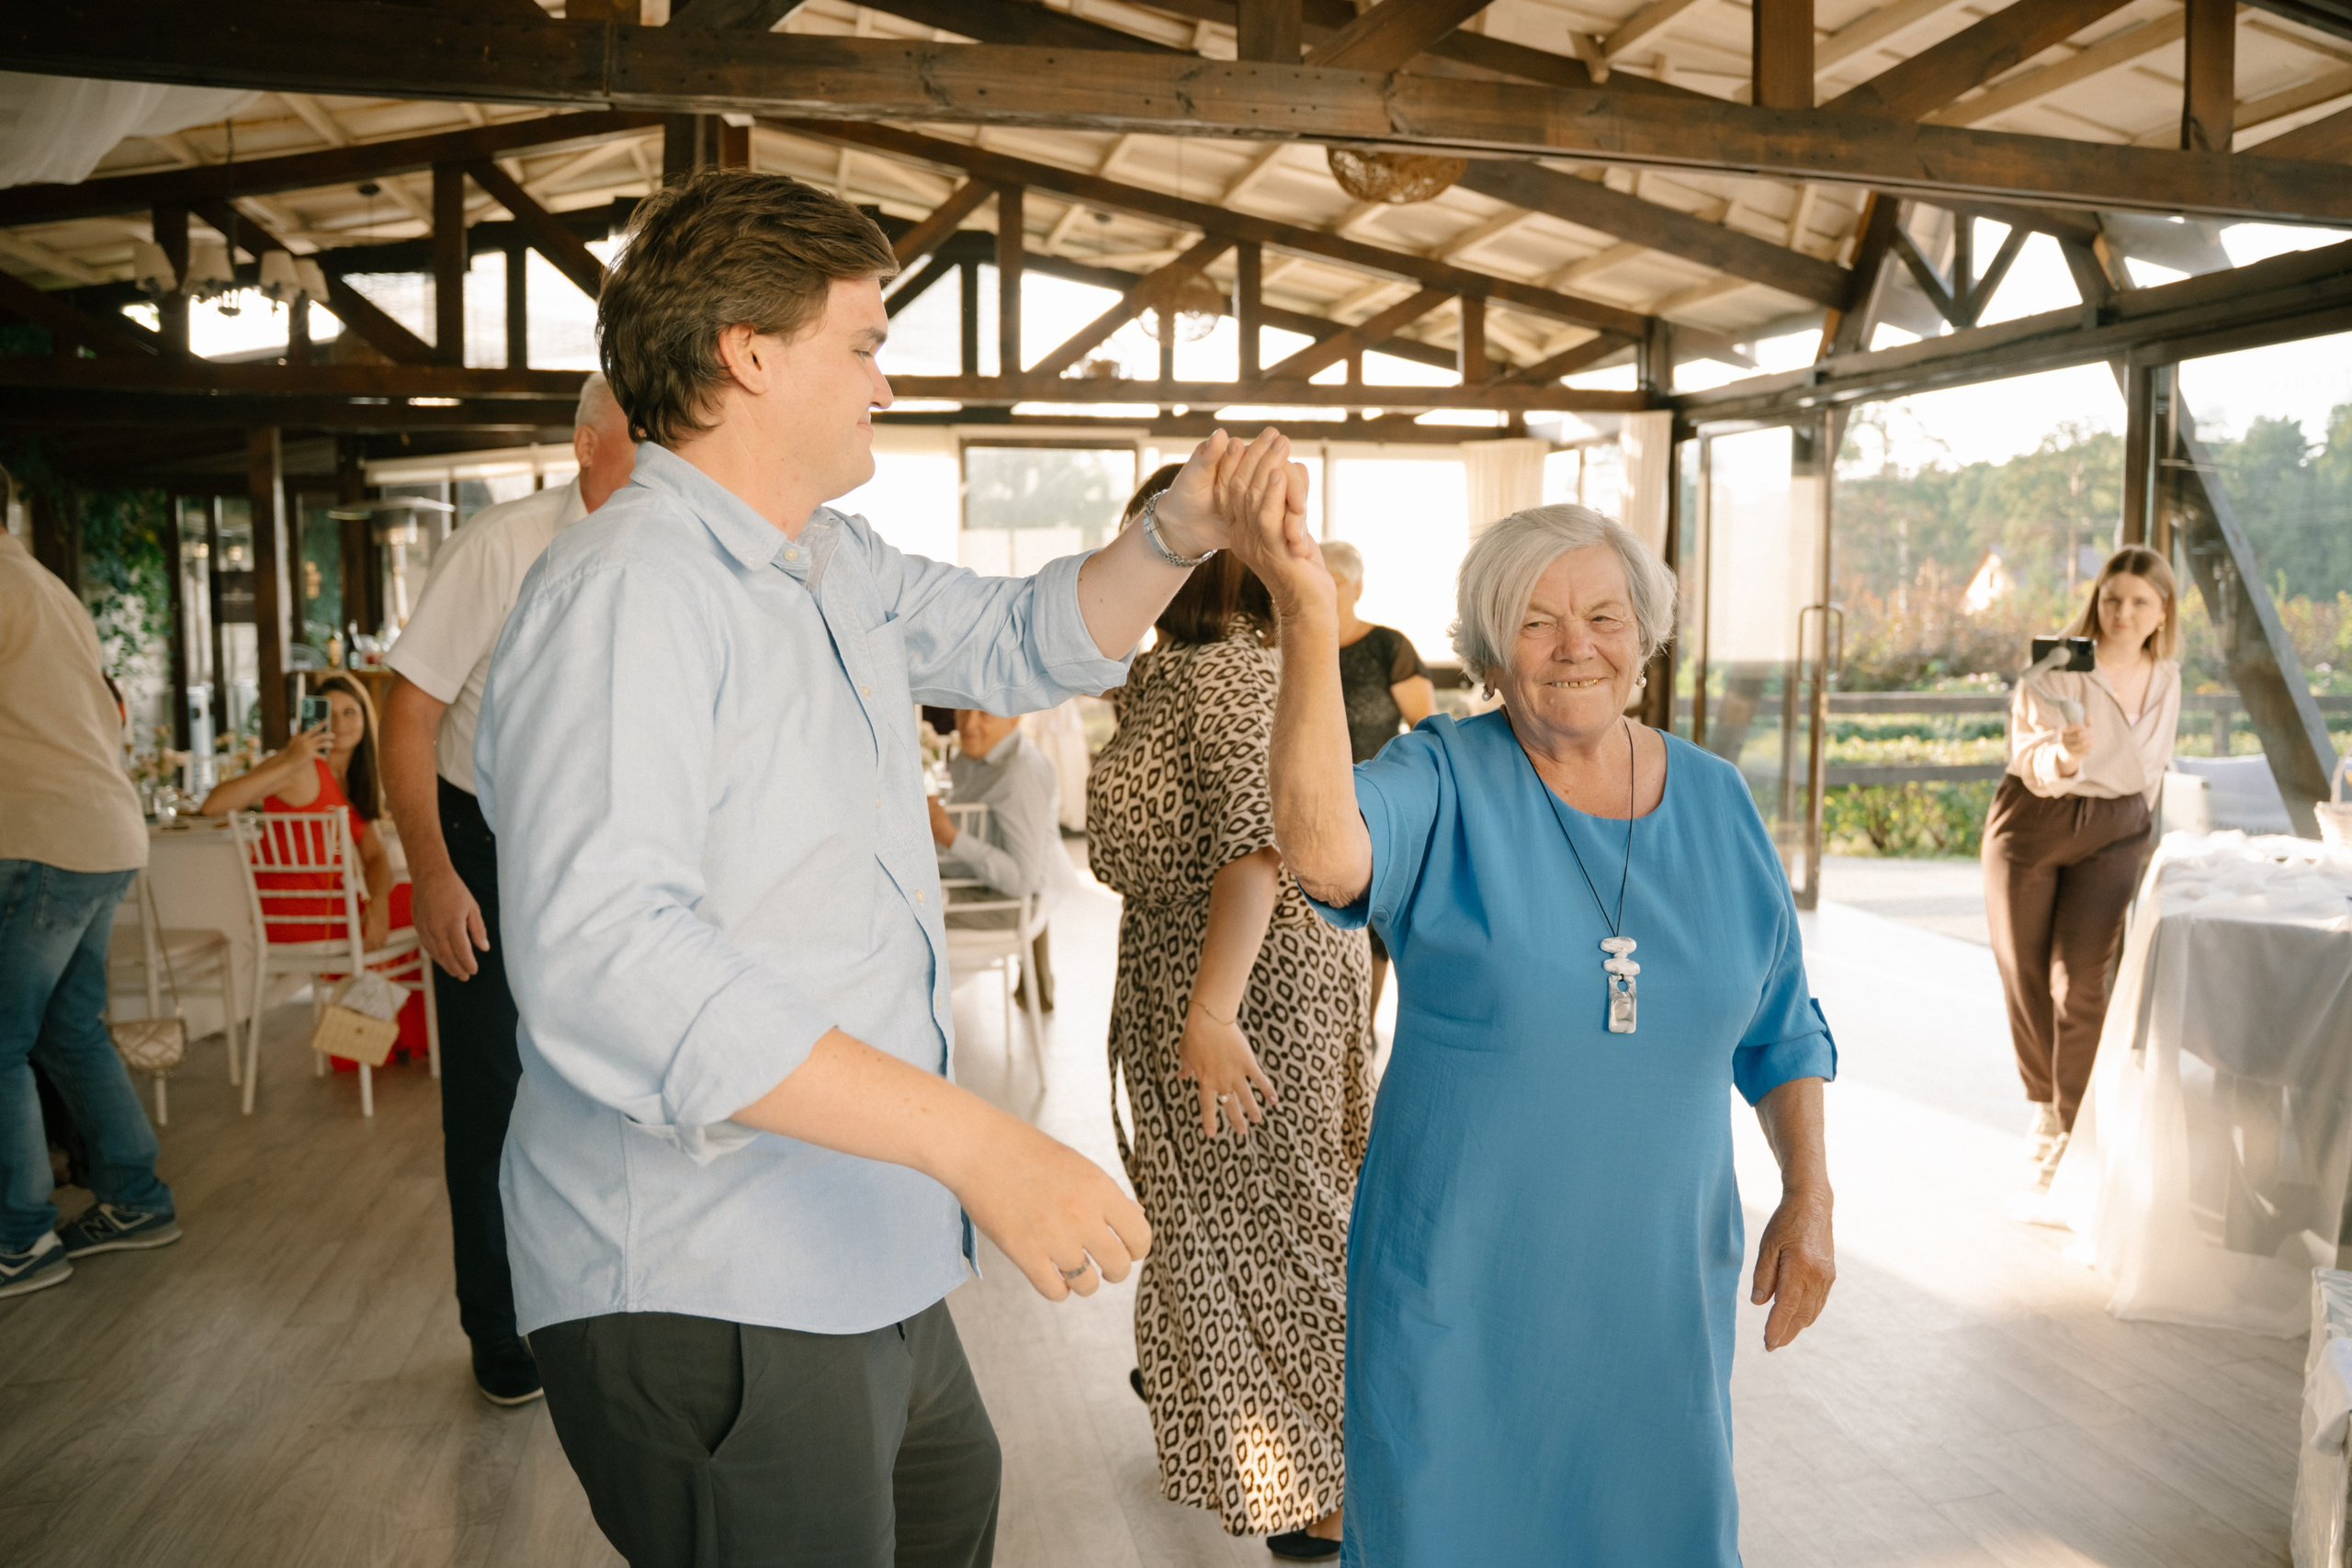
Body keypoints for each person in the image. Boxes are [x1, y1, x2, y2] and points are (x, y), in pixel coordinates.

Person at [473, 167, 1288, 1568]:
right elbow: (613, 960)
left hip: (866, 1242)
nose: (885, 385)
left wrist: (1180, 529)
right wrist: (979, 1140)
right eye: (865, 343)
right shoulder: (631, 588)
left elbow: (1029, 637)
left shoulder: (825, 557)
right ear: (749, 354)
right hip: (707, 1262)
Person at [1224, 487, 1838, 1568]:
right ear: (1488, 651)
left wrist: (1809, 1191)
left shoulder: (1716, 799)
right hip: (1462, 1287)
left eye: (1603, 617)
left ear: (1644, 636)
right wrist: (1309, 612)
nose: (1574, 649)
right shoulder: (1442, 776)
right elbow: (1323, 853)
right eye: (1535, 621)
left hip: (1657, 1294)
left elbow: (1782, 1027)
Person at [1086, 467, 1370, 1561]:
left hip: (1245, 993)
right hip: (1224, 982)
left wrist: (1210, 1010)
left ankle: (1325, 1494)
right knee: (1238, 1234)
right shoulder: (1194, 672)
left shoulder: (1233, 676)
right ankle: (1291, 1471)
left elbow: (1257, 848)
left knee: (1282, 1242)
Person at [379, 371, 636, 1406]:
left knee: (617, 1089)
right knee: (490, 1097)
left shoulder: (676, 547)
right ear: (586, 443)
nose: (664, 451)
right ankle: (499, 1327)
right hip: (479, 843)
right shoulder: (501, 544)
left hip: (605, 851)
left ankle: (610, 1311)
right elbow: (406, 717)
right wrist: (430, 874)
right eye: (642, 432)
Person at [1, 526, 180, 1301]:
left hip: (41, 837)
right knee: (67, 1026)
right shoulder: (45, 586)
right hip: (104, 830)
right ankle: (134, 1198)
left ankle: (18, 1236)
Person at [1983, 546, 2181, 1187]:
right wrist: (2066, 755)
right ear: (2097, 598)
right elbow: (2029, 753)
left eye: (2139, 602)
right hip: (2036, 820)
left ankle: (2074, 1125)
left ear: (2162, 612)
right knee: (2028, 976)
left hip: (2116, 832)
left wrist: (2141, 837)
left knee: (2084, 981)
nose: (2122, 612)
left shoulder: (2168, 677)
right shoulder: (2059, 660)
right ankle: (2044, 1106)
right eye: (2112, 598)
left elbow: (2151, 770)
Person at [200, 674, 427, 1063]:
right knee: (428, 902)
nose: (340, 724)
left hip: (335, 912)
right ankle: (408, 1041)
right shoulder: (300, 768)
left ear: (365, 719)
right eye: (330, 714)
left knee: (417, 901)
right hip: (302, 916)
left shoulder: (351, 783)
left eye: (350, 712)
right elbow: (214, 805)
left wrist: (377, 903)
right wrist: (291, 759)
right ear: (312, 720)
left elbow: (375, 858)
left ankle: (389, 1041)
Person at [1318, 538, 1434, 1027]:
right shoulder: (1291, 644)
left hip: (1373, 807)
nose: (1325, 588)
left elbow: (1426, 731)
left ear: (1357, 587)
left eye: (1336, 580)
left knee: (1370, 922)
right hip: (1308, 802)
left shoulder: (1389, 647)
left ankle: (1361, 1027)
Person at [931, 705, 1071, 1011]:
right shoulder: (970, 759)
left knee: (897, 919)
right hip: (970, 882)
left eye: (985, 715)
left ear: (1014, 717)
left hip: (1002, 904)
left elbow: (1022, 881)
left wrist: (949, 836)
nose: (970, 724)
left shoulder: (1021, 773)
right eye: (963, 711)